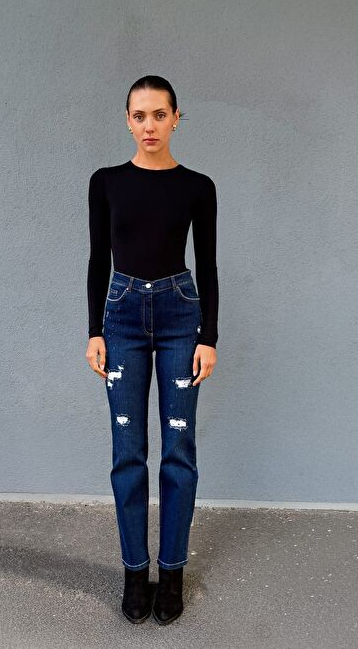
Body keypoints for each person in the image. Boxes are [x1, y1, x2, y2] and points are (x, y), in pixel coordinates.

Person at [85, 75, 219, 625]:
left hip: (179, 315)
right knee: (128, 452)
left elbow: (208, 264)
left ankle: (173, 571)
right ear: (127, 120)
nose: (149, 126)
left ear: (176, 119)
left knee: (178, 450)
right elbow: (98, 259)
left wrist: (208, 337)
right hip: (121, 318)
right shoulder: (106, 182)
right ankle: (135, 572)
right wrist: (94, 330)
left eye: (159, 115)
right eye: (139, 116)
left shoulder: (197, 186)